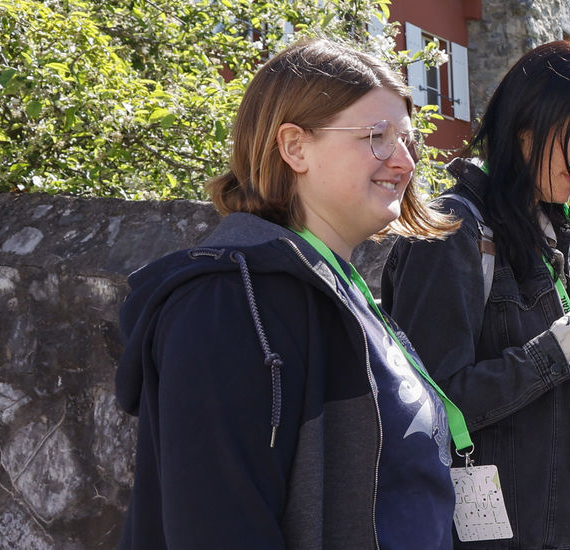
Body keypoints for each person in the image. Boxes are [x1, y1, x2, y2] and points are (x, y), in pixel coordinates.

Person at [116, 38, 460, 548]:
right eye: (377, 136)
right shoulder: (228, 305)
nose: (405, 163)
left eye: (409, 142)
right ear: (295, 147)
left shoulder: (341, 292)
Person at [380, 39, 570, 550]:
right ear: (527, 126)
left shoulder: (560, 232)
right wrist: (569, 342)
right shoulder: (451, 234)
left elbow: (569, 387)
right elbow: (433, 406)